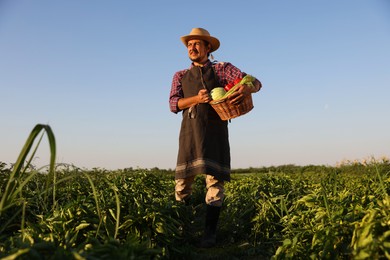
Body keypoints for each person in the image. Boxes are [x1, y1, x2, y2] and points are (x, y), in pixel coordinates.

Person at [169, 28, 262, 248]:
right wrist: (196, 98)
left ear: (208, 48)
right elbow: (173, 104)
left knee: (214, 183)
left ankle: (209, 235)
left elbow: (255, 82)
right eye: (189, 45)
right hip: (190, 133)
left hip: (214, 131)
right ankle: (184, 229)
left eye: (196, 44)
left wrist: (248, 88)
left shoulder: (222, 70)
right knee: (182, 184)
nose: (192, 48)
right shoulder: (180, 75)